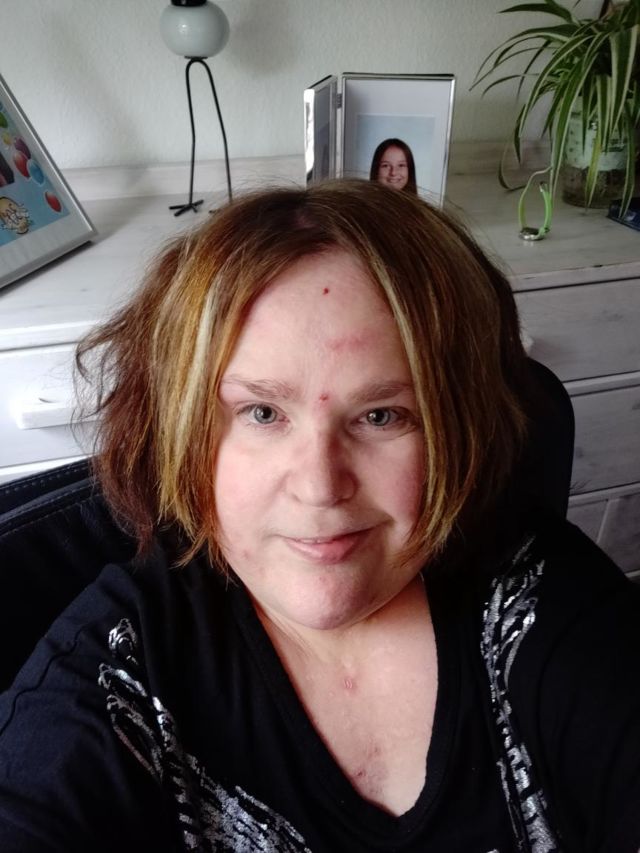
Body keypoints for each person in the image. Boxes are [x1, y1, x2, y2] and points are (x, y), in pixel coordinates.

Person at [0, 180, 639, 852]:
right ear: (184, 434)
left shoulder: (542, 605)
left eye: (381, 415)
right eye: (262, 412)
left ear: (460, 431)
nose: (319, 486)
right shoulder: (117, 670)